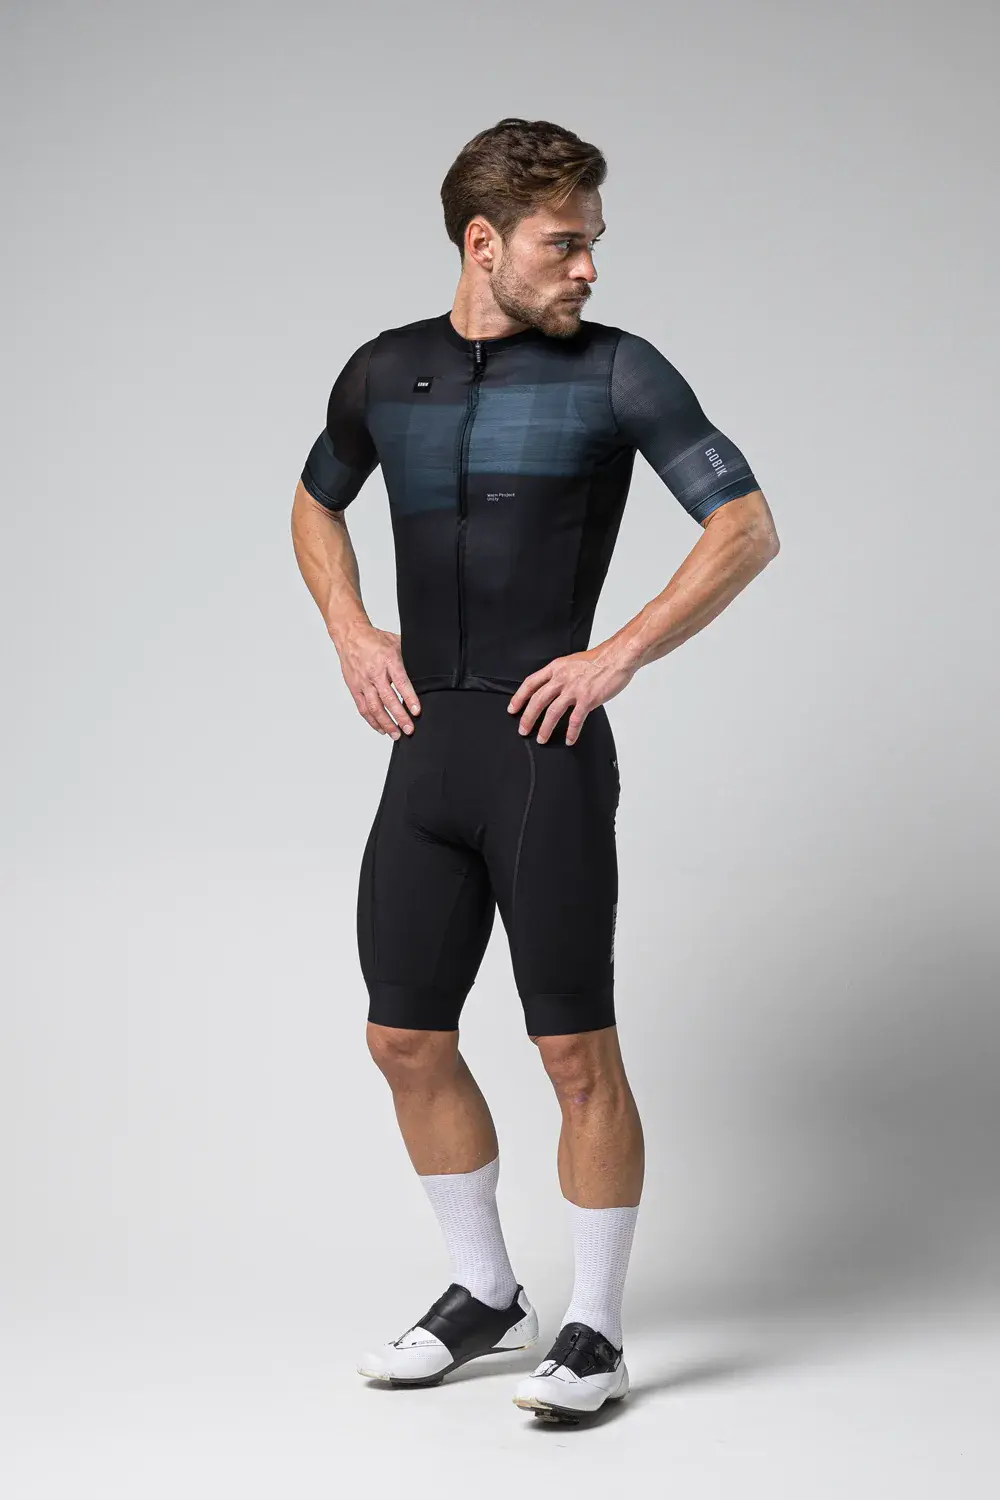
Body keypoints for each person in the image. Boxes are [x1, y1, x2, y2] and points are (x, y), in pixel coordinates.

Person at [291, 117, 779, 1423]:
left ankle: (597, 1332)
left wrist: (617, 654)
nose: (589, 268)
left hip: (541, 756)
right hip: (426, 756)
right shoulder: (384, 370)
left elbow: (746, 524)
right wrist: (351, 630)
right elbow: (315, 500)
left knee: (574, 1052)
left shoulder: (618, 372)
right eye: (566, 245)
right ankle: (484, 1291)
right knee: (403, 1037)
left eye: (593, 244)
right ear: (483, 242)